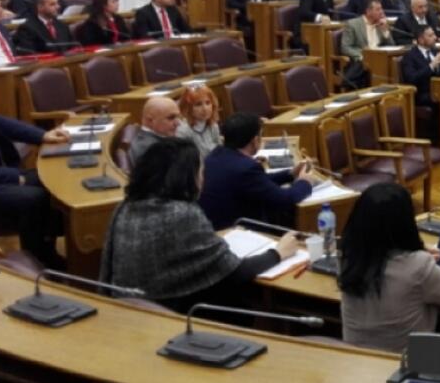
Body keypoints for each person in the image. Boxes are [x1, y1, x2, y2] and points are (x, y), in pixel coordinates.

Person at [101, 138, 299, 313]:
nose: (204, 179)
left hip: (125, 308)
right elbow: (235, 272)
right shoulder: (183, 214)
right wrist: (279, 252)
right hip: (172, 313)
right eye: (201, 172)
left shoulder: (126, 206)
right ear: (187, 177)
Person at [338, 182, 440, 352]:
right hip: (402, 370)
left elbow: (382, 254)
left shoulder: (348, 258)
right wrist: (426, 264)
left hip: (353, 362)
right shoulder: (419, 266)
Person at [199, 112, 320, 230]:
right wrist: (305, 182)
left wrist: (290, 174)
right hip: (239, 231)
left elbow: (257, 181)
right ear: (255, 140)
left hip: (214, 227)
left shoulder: (215, 155)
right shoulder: (246, 168)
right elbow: (285, 199)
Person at [0, 113, 69, 266]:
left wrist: (43, 135)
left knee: (52, 182)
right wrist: (13, 177)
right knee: (34, 198)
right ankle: (39, 260)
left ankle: (49, 251)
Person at [341, 0, 395, 89]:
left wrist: (385, 31)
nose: (382, 12)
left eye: (381, 8)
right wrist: (362, 55)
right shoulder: (353, 24)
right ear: (368, 11)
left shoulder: (381, 24)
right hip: (363, 60)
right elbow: (345, 47)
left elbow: (392, 46)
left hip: (381, 58)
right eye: (378, 9)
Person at [401, 24, 440, 109]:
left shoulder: (436, 51)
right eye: (430, 35)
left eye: (434, 34)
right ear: (420, 40)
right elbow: (411, 79)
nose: (435, 37)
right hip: (422, 94)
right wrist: (431, 66)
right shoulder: (410, 56)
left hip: (439, 90)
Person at [129, 96, 182, 163]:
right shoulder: (150, 149)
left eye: (178, 117)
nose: (178, 123)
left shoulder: (159, 140)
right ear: (150, 120)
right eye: (171, 118)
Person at [175, 85, 222, 159]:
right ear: (188, 108)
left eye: (208, 103)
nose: (205, 108)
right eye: (198, 104)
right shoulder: (183, 131)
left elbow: (220, 149)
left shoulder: (213, 125)